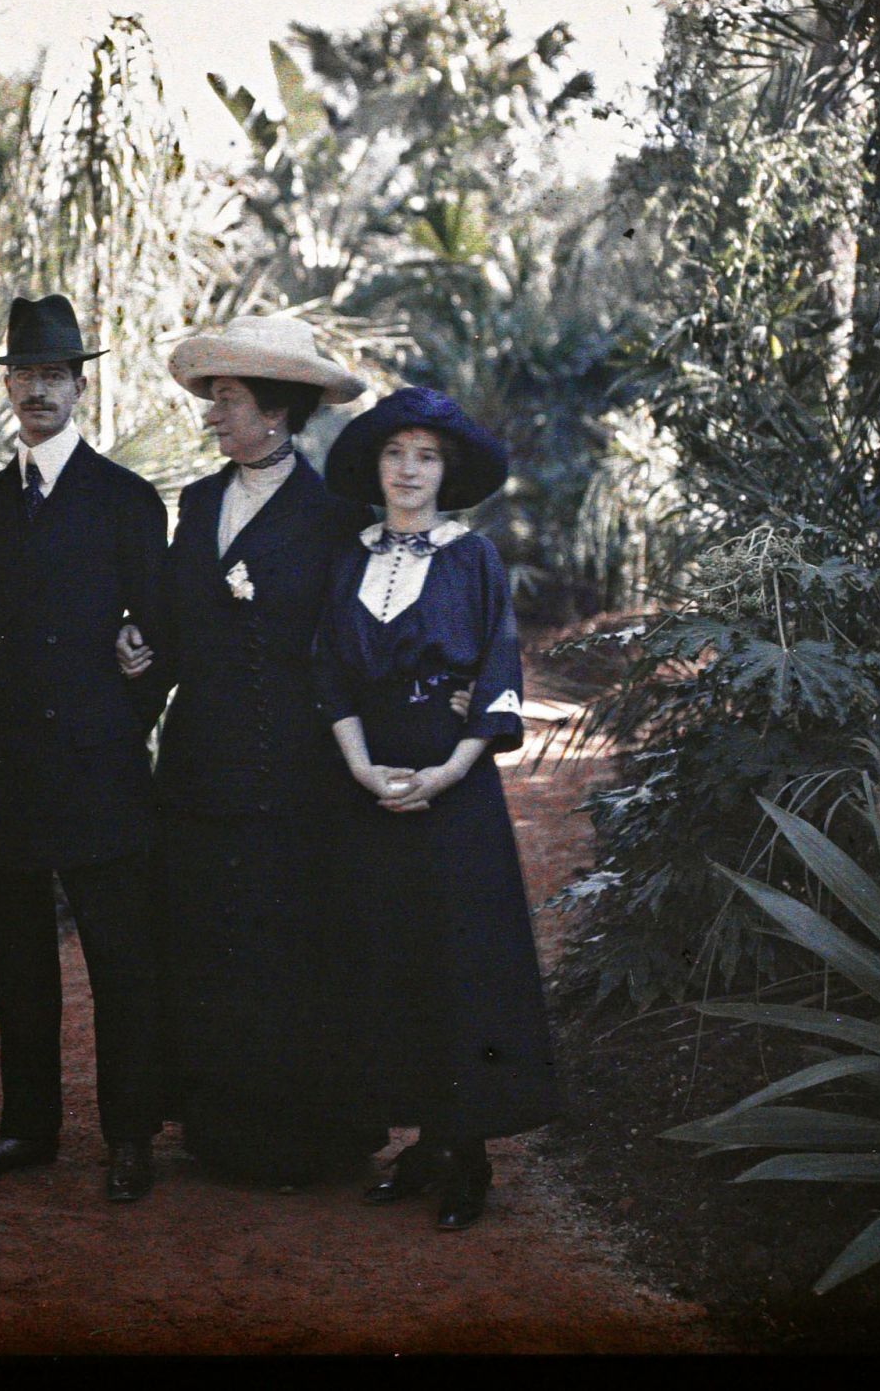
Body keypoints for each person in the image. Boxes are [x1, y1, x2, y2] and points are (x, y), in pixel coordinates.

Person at [114, 315, 380, 1186]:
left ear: (275, 411)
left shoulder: (336, 517)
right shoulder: (195, 503)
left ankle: (304, 1141)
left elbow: (355, 641)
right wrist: (141, 650)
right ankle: (218, 1128)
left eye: (226, 400)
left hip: (297, 776)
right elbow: (174, 625)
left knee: (290, 948)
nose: (212, 417)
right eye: (213, 399)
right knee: (207, 941)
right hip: (198, 767)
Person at [311, 386, 563, 1230]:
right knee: (389, 960)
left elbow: (496, 676)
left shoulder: (473, 559)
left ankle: (468, 1156)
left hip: (452, 796)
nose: (408, 470)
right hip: (370, 789)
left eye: (424, 456)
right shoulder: (349, 560)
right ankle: (418, 1142)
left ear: (445, 470)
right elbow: (330, 675)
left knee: (458, 964)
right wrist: (363, 768)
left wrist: (443, 774)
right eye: (394, 454)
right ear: (375, 467)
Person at [0, 294, 171, 1204]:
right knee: (17, 963)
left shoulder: (125, 500)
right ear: (6, 388)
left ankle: (129, 1137)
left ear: (81, 387)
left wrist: (117, 722)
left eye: (55, 376)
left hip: (101, 772)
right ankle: (26, 1129)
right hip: (9, 774)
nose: (39, 390)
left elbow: (157, 642)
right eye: (24, 375)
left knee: (120, 958)